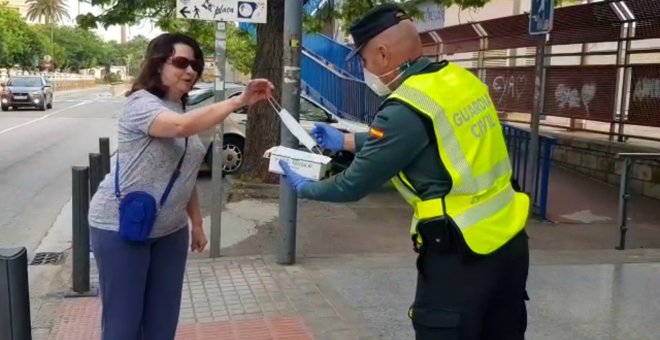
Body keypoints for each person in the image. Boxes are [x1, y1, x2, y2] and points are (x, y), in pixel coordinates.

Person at [279, 4, 531, 340]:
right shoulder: (458, 80)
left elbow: (352, 185)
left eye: (364, 61)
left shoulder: (405, 107)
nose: (365, 69)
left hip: (461, 252)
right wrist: (348, 139)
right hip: (510, 241)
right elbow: (427, 137)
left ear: (383, 54)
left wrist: (304, 186)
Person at [87, 32, 274, 340]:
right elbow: (179, 129)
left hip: (171, 231)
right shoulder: (141, 104)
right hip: (122, 226)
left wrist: (197, 224)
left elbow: (184, 173)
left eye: (195, 64)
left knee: (162, 324)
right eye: (181, 62)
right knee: (124, 326)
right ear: (157, 64)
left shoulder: (181, 108)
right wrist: (239, 100)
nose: (191, 70)